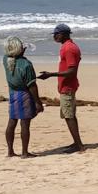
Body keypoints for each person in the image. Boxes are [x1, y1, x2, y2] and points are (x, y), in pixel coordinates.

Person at [36, 23, 84, 152]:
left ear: (62, 34)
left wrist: (51, 74)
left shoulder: (68, 48)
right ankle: (76, 142)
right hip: (68, 86)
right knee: (70, 114)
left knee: (69, 115)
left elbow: (72, 71)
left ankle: (79, 145)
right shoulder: (69, 46)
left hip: (67, 87)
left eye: (56, 34)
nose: (54, 37)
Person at [2, 36, 44, 158]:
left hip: (12, 94)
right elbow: (32, 85)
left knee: (12, 121)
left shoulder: (5, 59)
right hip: (24, 95)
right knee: (25, 124)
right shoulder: (26, 64)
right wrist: (38, 102)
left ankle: (10, 151)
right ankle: (24, 152)